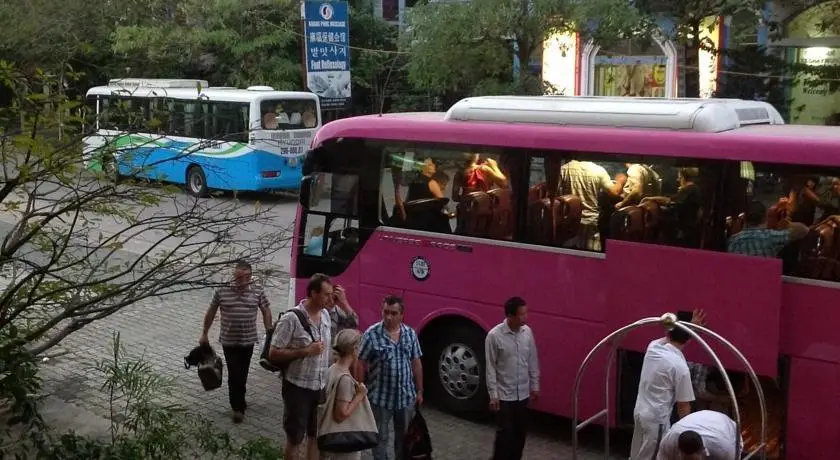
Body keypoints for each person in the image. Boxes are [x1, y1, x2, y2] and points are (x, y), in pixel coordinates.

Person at [269, 273, 334, 460]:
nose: (330, 298)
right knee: (295, 438)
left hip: (319, 386)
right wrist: (305, 351)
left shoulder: (326, 315)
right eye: (326, 294)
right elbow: (274, 352)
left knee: (315, 436)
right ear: (313, 293)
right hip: (297, 388)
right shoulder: (292, 318)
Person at [199, 260, 272, 424]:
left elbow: (266, 310)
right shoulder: (222, 290)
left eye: (244, 277)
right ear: (234, 275)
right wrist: (204, 333)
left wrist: (269, 332)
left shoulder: (257, 290)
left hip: (248, 340)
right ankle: (237, 408)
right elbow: (211, 311)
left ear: (249, 276)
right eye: (238, 277)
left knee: (243, 373)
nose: (240, 281)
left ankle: (241, 399)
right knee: (234, 373)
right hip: (229, 341)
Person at [630, 310, 706, 460]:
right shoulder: (680, 367)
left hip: (640, 412)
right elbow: (683, 407)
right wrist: (687, 434)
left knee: (636, 455)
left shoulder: (653, 347)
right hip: (656, 419)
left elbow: (667, 337)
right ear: (688, 338)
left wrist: (687, 328)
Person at [358, 296, 424, 460]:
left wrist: (420, 390)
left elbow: (416, 363)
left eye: (393, 313)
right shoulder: (371, 335)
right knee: (380, 438)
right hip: (380, 398)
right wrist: (360, 389)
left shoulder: (410, 334)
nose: (388, 317)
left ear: (402, 315)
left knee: (404, 438)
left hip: (405, 397)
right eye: (385, 312)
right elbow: (360, 363)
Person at [485, 296, 540, 460]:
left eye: (526, 313)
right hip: (505, 395)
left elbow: (532, 359)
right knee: (505, 435)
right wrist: (493, 395)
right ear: (510, 316)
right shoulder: (494, 336)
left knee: (520, 433)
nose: (525, 317)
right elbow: (491, 367)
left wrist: (535, 385)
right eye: (521, 314)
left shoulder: (527, 333)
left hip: (522, 393)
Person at [320, 328, 369, 460]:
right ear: (354, 349)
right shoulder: (345, 379)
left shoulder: (332, 369)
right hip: (343, 442)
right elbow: (341, 414)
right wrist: (360, 395)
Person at [727, 200, 809, 257]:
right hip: (765, 280)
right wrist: (785, 223)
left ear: (744, 219)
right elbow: (804, 229)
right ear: (764, 218)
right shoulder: (771, 236)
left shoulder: (733, 240)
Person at [657, 410, 742, 460]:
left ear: (703, 450)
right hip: (701, 421)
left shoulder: (724, 449)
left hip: (728, 432)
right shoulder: (669, 441)